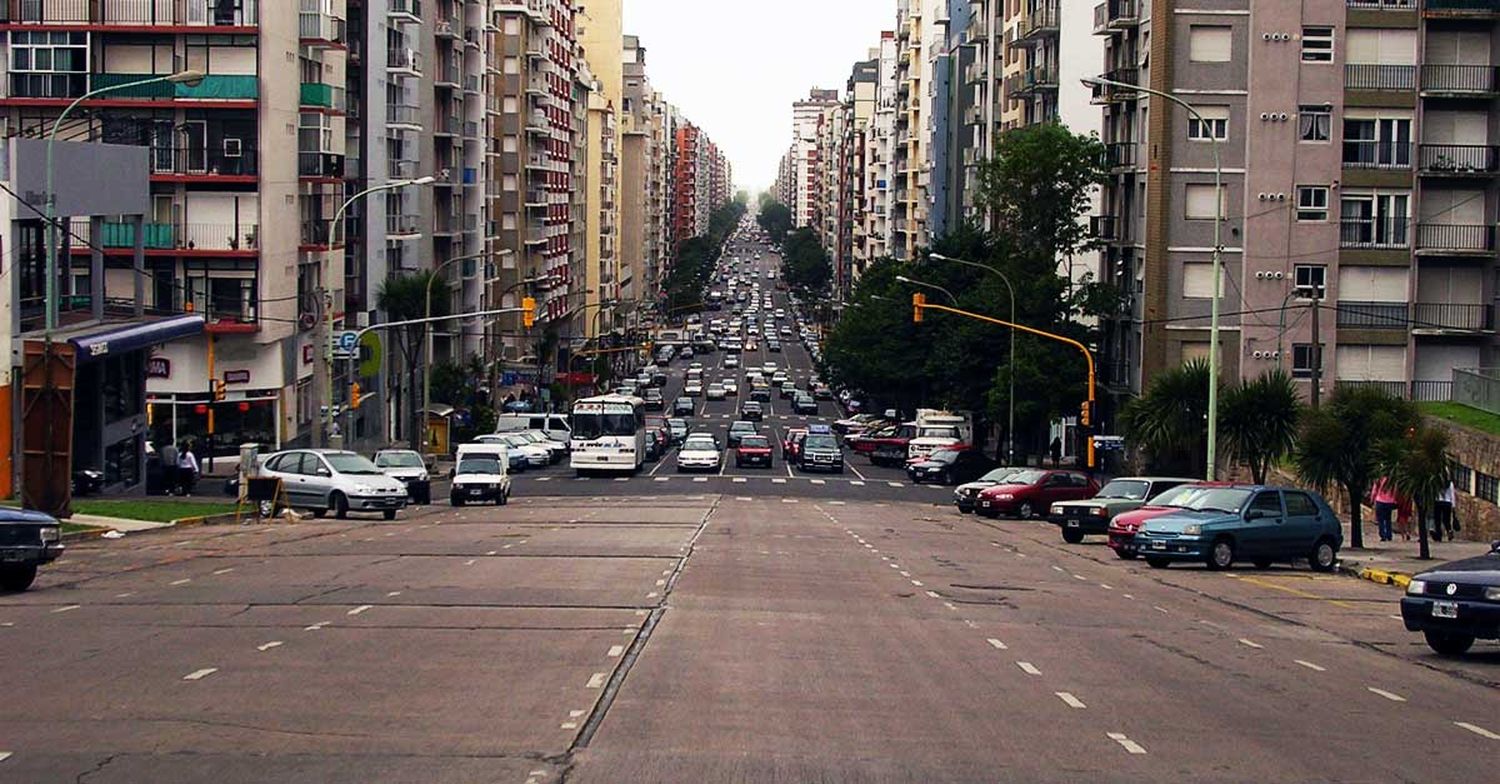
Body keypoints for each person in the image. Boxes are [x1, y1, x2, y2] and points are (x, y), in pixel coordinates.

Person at [1371, 476, 1398, 542]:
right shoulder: (1391, 480)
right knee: (1388, 519)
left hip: (1380, 501)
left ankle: (1383, 535)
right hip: (1389, 502)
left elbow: (1374, 491)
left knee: (1380, 520)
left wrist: (1372, 499)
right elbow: (1395, 491)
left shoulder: (1378, 479)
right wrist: (1394, 500)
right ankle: (1389, 535)